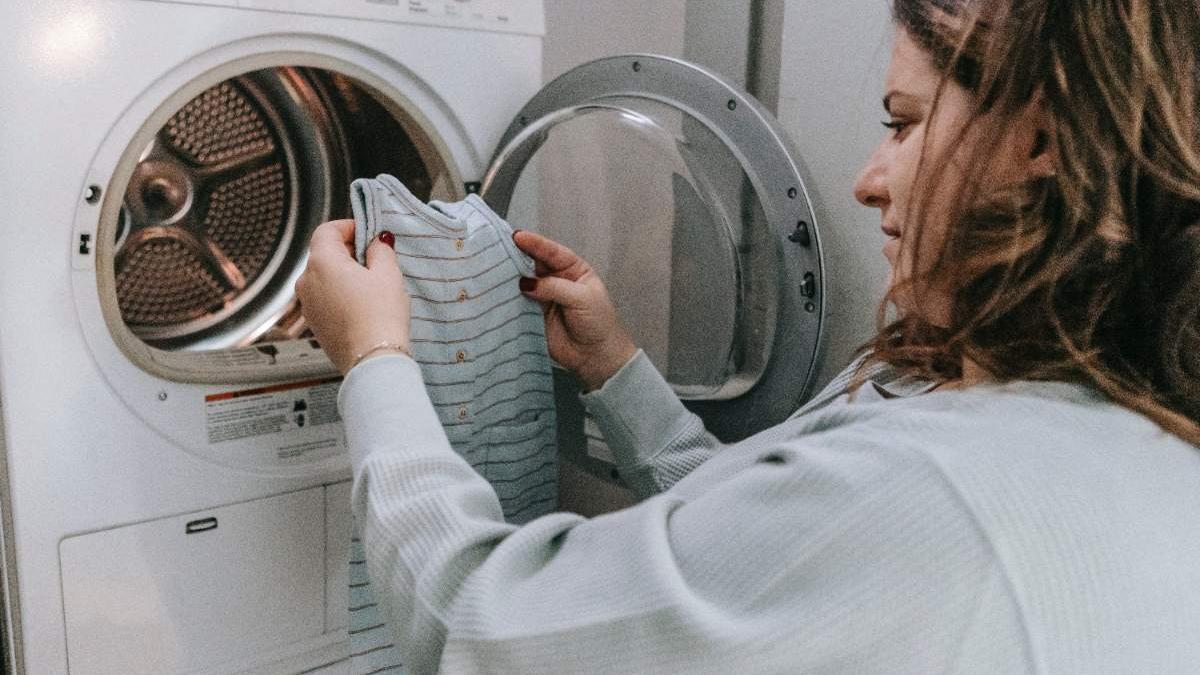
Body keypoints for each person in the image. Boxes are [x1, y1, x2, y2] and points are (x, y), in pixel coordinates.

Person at [295, 0, 1200, 672]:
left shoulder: (934, 489)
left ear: (1041, 133)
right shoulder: (1123, 428)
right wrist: (617, 371)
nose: (868, 179)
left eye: (905, 121)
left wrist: (377, 359)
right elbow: (765, 556)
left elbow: (475, 627)